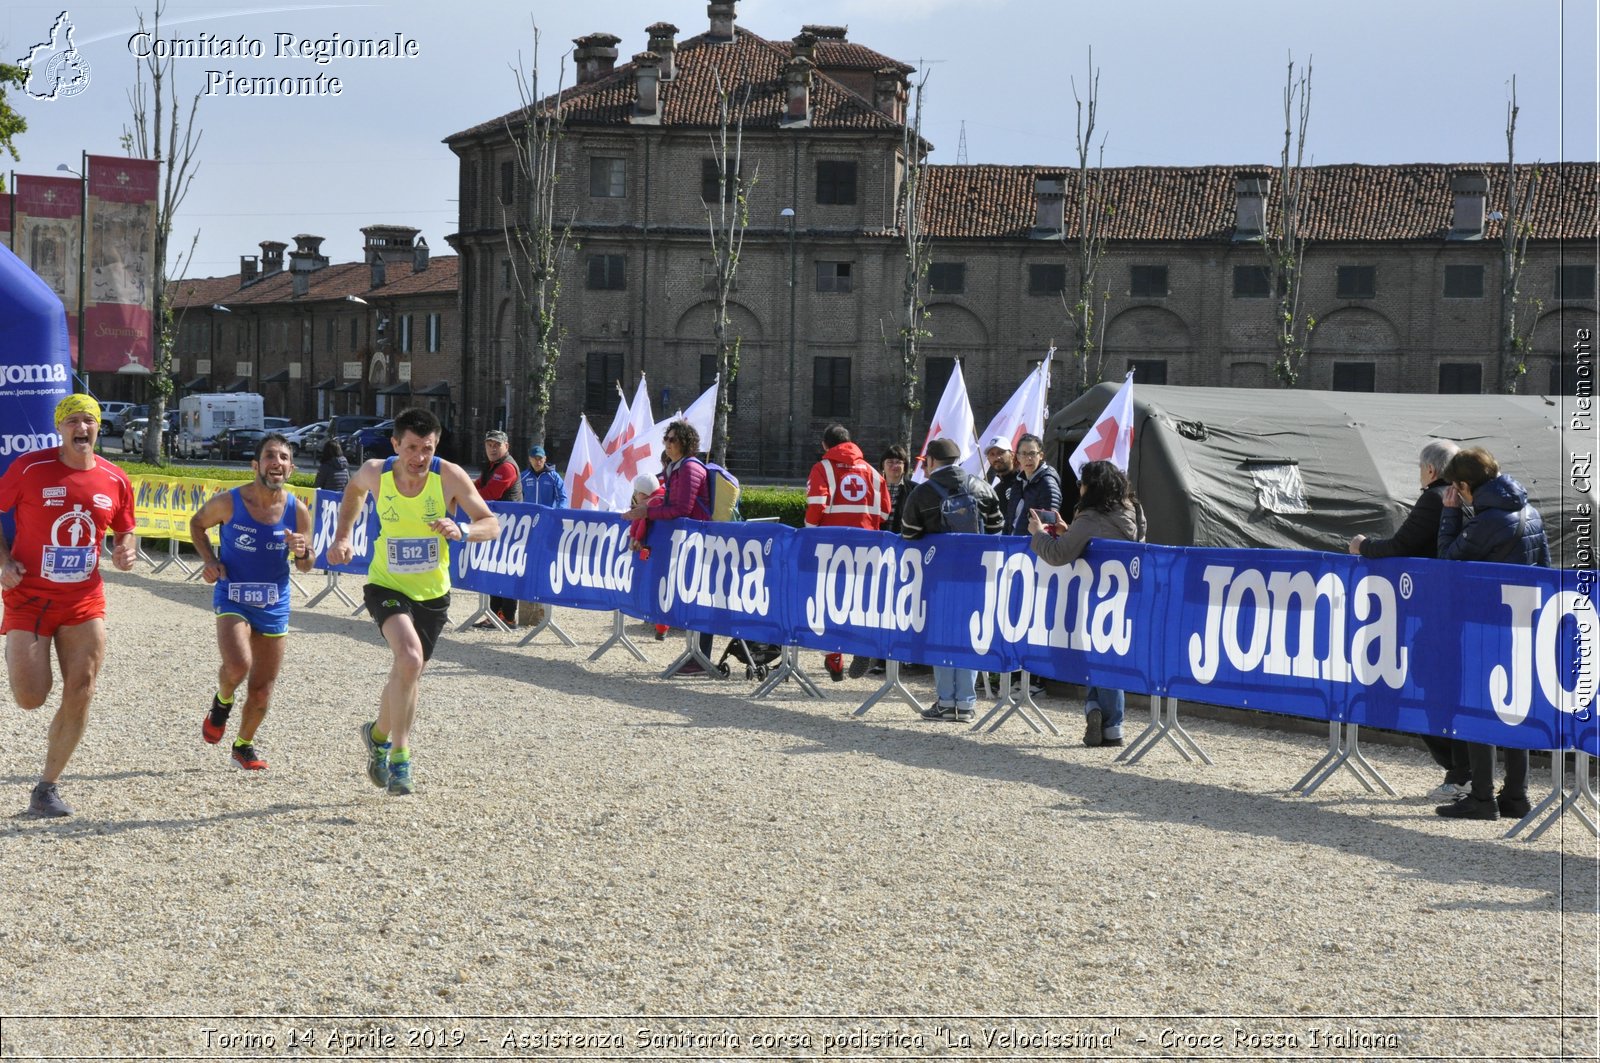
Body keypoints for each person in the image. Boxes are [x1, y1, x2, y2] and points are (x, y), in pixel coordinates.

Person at [327, 407, 500, 796]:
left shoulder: (449, 476)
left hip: (432, 593)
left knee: (407, 672)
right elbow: (353, 491)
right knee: (409, 658)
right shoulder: (376, 472)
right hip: (386, 584)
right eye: (411, 448)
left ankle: (377, 735)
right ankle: (401, 759)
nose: (419, 457)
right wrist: (343, 536)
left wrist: (463, 528)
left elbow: (492, 523)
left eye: (427, 448)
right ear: (395, 445)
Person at [0, 394, 137, 817]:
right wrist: (3, 561)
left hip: (83, 599)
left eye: (89, 421)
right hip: (29, 596)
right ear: (60, 427)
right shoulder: (30, 468)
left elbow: (125, 528)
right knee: (30, 697)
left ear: (98, 428)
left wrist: (125, 549)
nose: (83, 427)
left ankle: (46, 787)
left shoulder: (115, 478)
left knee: (82, 686)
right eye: (74, 420)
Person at [1434, 446, 1551, 822]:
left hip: (1485, 624)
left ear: (1465, 485)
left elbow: (1447, 560)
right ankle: (1516, 796)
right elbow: (1545, 568)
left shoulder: (1487, 522)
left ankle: (1482, 798)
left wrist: (1451, 515)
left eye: (1457, 488)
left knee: (1477, 708)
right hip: (1523, 623)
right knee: (1516, 709)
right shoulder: (1530, 511)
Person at [1349, 438, 1470, 799]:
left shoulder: (1434, 499)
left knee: (1426, 686)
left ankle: (1460, 772)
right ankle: (1468, 773)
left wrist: (1362, 545)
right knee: (1449, 690)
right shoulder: (1467, 500)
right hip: (1458, 611)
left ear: (1430, 470)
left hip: (1436, 611)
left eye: (1420, 468)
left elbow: (1401, 545)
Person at [188, 433, 315, 771]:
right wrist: (210, 560)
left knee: (261, 691)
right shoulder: (230, 502)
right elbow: (197, 524)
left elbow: (306, 565)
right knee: (237, 666)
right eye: (270, 456)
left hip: (274, 602)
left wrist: (302, 552)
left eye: (284, 458)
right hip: (233, 594)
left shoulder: (298, 511)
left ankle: (243, 745)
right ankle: (222, 702)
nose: (278, 463)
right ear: (256, 465)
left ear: (291, 469)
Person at [1028, 460, 1147, 747]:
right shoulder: (1135, 511)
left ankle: (1105, 718)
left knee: (1097, 657)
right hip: (1127, 594)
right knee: (1109, 656)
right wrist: (1068, 528)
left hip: (1094, 595)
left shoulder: (1091, 516)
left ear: (1090, 487)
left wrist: (1038, 534)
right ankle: (1102, 718)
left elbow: (1058, 555)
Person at [901, 437, 1002, 721]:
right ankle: (967, 704)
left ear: (931, 462)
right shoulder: (982, 487)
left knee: (942, 638)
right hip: (975, 576)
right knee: (968, 637)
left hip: (938, 577)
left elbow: (909, 533)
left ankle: (946, 701)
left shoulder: (922, 493)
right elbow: (997, 529)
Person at [621, 419, 713, 675]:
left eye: (673, 439)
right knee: (692, 594)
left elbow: (681, 509)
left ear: (685, 441)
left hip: (700, 540)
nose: (668, 444)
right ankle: (697, 656)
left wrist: (646, 510)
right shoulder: (676, 467)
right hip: (690, 539)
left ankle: (701, 657)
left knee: (699, 596)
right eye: (666, 439)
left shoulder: (690, 468)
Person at [804, 424, 891, 681]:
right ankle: (861, 645)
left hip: (831, 547)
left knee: (829, 601)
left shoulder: (823, 468)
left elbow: (817, 503)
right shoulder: (873, 472)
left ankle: (834, 654)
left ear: (824, 445)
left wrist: (809, 532)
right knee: (859, 601)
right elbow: (885, 512)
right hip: (868, 547)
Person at [474, 429, 523, 627]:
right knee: (494, 570)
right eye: (489, 444)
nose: (493, 448)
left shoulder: (507, 467)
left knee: (507, 571)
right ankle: (494, 615)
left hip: (511, 530)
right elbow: (476, 487)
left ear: (506, 446)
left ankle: (508, 617)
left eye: (497, 445)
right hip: (498, 527)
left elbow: (489, 494)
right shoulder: (492, 466)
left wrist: (465, 494)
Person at [1010, 434, 1063, 535]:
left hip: (1033, 545)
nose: (1028, 458)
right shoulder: (1018, 482)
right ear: (1018, 457)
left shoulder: (1047, 483)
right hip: (1013, 543)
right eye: (1024, 454)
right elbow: (1010, 519)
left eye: (1032, 453)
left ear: (1041, 456)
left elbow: (1049, 524)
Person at [983, 434, 1022, 527]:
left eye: (1001, 452)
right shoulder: (995, 489)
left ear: (1012, 455)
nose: (997, 458)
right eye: (992, 454)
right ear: (988, 459)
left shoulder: (1023, 481)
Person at [882, 444, 911, 535]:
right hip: (877, 541)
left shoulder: (915, 490)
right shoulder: (873, 488)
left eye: (899, 462)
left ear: (904, 466)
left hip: (903, 542)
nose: (894, 465)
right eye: (890, 462)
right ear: (883, 465)